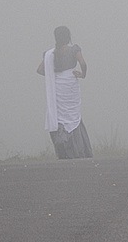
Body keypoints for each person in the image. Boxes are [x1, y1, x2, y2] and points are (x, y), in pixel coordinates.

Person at [36, 25, 93, 159]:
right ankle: (79, 149)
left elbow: (39, 70)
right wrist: (82, 74)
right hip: (70, 85)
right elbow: (83, 63)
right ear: (68, 37)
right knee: (73, 115)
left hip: (58, 87)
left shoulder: (50, 54)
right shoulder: (74, 50)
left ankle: (64, 148)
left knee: (60, 116)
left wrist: (53, 75)